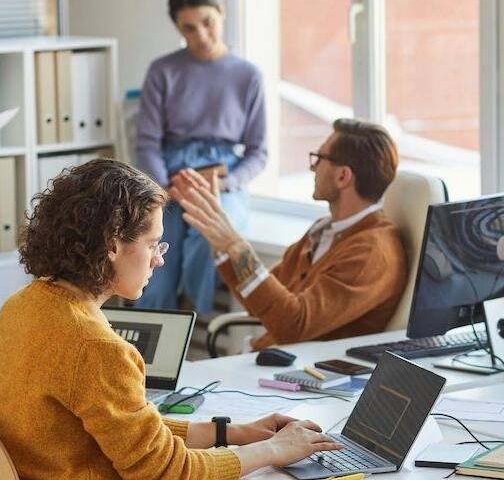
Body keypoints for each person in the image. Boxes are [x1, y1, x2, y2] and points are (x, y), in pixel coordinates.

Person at [0, 158, 340, 480]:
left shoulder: (22, 306)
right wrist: (272, 450)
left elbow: (123, 434)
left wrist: (229, 432)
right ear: (113, 245)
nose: (160, 259)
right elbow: (167, 474)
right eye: (153, 244)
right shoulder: (95, 347)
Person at [173, 118, 407, 350]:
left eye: (319, 159)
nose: (312, 168)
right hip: (266, 359)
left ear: (343, 176)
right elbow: (259, 303)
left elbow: (294, 326)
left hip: (301, 374)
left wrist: (235, 245)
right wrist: (219, 242)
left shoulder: (371, 254)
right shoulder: (324, 231)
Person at [136, 0, 266, 314]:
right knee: (149, 245)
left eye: (208, 23)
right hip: (169, 173)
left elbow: (258, 151)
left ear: (221, 13)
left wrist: (225, 183)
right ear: (179, 29)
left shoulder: (248, 75)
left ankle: (195, 314)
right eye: (189, 29)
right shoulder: (163, 71)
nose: (202, 36)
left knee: (208, 238)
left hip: (222, 175)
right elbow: (148, 141)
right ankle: (154, 335)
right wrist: (165, 187)